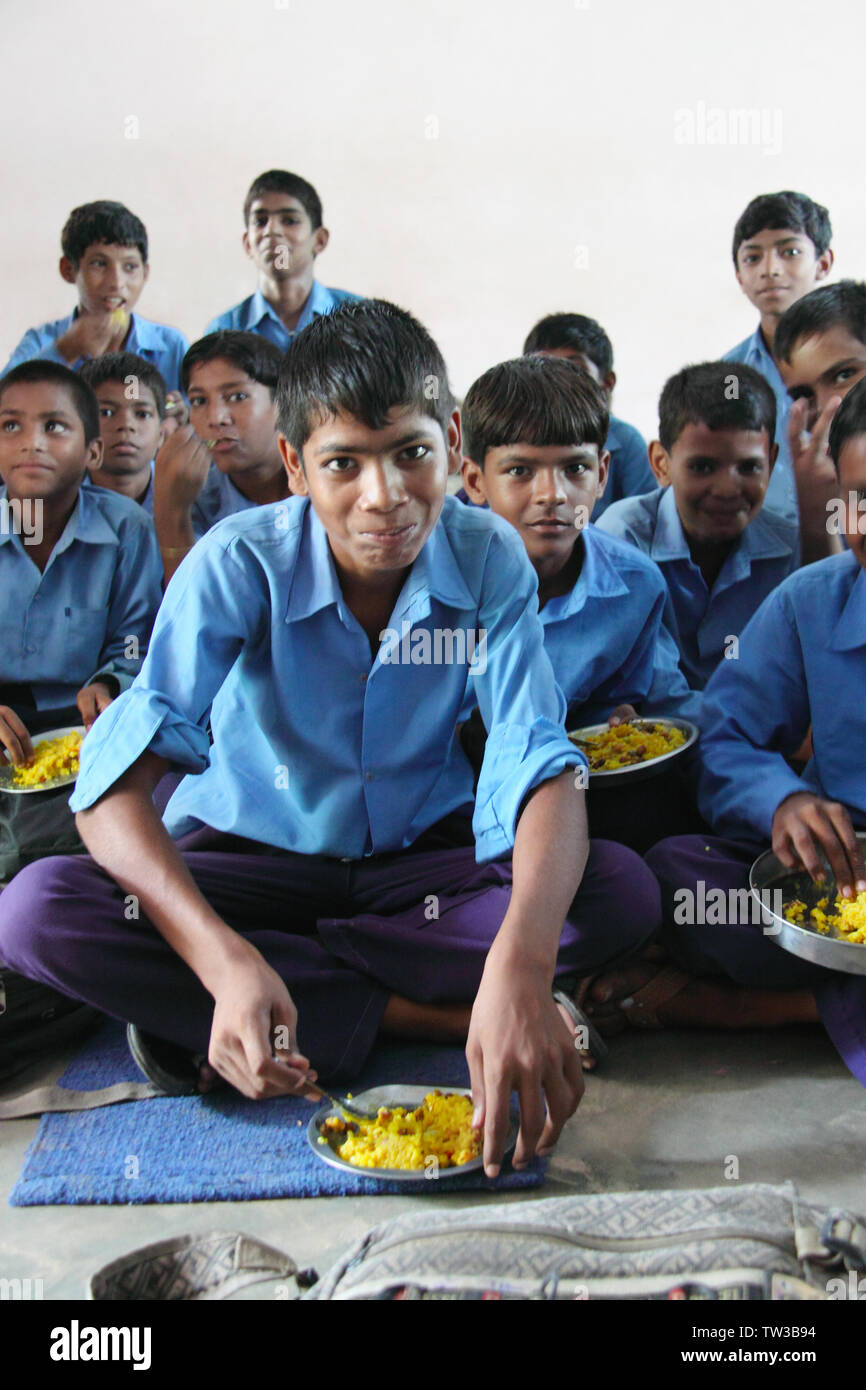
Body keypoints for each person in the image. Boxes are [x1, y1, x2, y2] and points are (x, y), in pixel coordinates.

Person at [0, 301, 661, 1175]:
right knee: (35, 910)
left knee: (618, 888)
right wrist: (225, 957)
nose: (382, 497)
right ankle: (397, 1010)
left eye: (411, 454)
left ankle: (290, 1004)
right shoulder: (240, 563)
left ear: (452, 441)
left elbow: (538, 758)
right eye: (343, 463)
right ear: (295, 465)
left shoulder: (486, 557)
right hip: (246, 866)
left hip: (413, 872)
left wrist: (523, 967)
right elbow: (112, 795)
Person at [589, 377, 866, 1091]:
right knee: (681, 872)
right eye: (860, 497)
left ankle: (777, 1008)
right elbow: (727, 736)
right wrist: (784, 802)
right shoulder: (813, 600)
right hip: (841, 878)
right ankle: (820, 1002)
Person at [458, 355, 700, 853]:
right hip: (459, 791)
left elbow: (647, 704)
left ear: (603, 473)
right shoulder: (439, 580)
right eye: (520, 470)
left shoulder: (635, 586)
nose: (552, 494)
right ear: (476, 480)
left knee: (661, 815)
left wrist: (624, 716)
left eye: (575, 468)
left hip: (574, 788)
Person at [0, 361, 161, 881]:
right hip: (7, 729)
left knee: (102, 849)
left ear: (92, 451)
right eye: (11, 426)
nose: (32, 444)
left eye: (54, 426)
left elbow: (137, 644)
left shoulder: (126, 528)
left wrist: (111, 681)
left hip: (89, 732)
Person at [596, 361, 797, 689]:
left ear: (772, 462)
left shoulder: (789, 546)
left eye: (749, 467)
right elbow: (649, 682)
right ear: (661, 464)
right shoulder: (621, 539)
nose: (727, 490)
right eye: (702, 467)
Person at [722, 191, 834, 526]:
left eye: (790, 252)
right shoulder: (730, 375)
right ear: (740, 276)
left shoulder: (856, 362)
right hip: (766, 555)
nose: (770, 270)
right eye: (753, 258)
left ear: (823, 263)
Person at [2, 200, 189, 395]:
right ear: (68, 270)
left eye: (130, 267)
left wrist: (184, 416)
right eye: (99, 264)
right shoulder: (41, 342)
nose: (117, 282)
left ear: (145, 273)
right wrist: (65, 350)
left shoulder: (171, 348)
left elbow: (200, 410)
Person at [152, 331, 290, 582]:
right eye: (199, 400)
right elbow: (189, 615)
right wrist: (171, 515)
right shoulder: (191, 495)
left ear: (282, 404)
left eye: (237, 397)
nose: (216, 418)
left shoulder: (325, 480)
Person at [205, 170, 361, 351]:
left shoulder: (360, 320)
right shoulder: (223, 333)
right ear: (248, 244)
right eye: (260, 221)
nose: (272, 231)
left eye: (290, 220)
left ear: (319, 240)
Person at [523, 312, 655, 520]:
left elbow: (644, 521)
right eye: (544, 368)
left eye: (574, 369)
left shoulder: (627, 443)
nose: (557, 382)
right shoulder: (510, 436)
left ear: (606, 384)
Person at [772, 280, 866, 565]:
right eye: (804, 394)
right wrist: (816, 513)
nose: (827, 405)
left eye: (843, 375)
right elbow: (829, 597)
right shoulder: (822, 477)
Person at [79, 352, 168, 513]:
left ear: (161, 433)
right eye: (105, 412)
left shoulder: (190, 500)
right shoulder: (57, 502)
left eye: (142, 414)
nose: (126, 425)